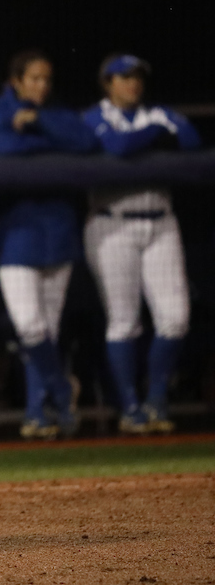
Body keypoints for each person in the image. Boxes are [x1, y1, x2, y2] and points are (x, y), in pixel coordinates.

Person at [81, 54, 200, 434]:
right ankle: (129, 406)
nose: (132, 83)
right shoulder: (93, 117)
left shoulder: (159, 112)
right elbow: (117, 146)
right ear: (107, 83)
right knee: (123, 321)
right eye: (123, 77)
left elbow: (193, 140)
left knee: (176, 318)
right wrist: (157, 135)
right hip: (111, 223)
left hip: (161, 222)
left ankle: (157, 400)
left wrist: (153, 134)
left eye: (137, 76)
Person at [0, 49, 97, 439]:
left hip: (58, 233)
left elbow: (84, 142)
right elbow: (4, 151)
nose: (41, 86)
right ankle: (63, 391)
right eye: (33, 78)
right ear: (16, 80)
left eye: (46, 79)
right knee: (30, 329)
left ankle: (38, 413)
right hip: (16, 235)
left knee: (47, 329)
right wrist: (51, 146)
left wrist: (38, 123)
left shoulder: (57, 113)